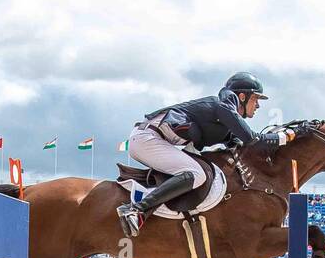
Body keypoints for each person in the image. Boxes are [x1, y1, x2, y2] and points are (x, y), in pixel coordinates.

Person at [117, 72, 289, 237]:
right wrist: (284, 137)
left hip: (151, 140)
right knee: (196, 174)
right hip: (148, 138)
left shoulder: (223, 121)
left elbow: (242, 145)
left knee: (196, 172)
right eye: (256, 99)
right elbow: (252, 139)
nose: (258, 105)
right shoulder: (223, 106)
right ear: (242, 97)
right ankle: (135, 210)